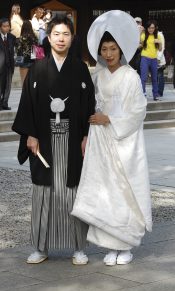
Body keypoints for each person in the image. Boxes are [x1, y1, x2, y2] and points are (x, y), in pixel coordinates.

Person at [12, 14, 95, 265]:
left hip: (72, 140)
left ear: (72, 39)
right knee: (43, 192)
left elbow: (88, 103)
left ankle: (79, 248)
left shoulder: (80, 68)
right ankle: (41, 246)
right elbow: (27, 104)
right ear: (48, 38)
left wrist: (85, 135)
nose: (61, 38)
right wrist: (30, 134)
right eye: (56, 34)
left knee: (73, 191)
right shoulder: (37, 69)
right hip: (44, 139)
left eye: (66, 34)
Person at [72, 10, 152, 266]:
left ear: (121, 50)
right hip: (102, 141)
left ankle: (126, 245)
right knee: (106, 191)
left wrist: (110, 119)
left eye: (113, 48)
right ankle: (110, 244)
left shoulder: (131, 76)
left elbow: (138, 110)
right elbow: (88, 100)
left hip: (124, 140)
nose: (108, 54)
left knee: (125, 190)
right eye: (104, 48)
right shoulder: (98, 74)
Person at [140, 20, 162, 101]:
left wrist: (160, 43)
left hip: (154, 59)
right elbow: (139, 44)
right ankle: (142, 94)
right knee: (143, 77)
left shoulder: (157, 36)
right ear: (147, 28)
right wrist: (139, 32)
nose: (151, 29)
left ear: (155, 28)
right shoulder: (143, 35)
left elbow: (160, 49)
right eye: (149, 28)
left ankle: (155, 95)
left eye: (152, 28)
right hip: (145, 58)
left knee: (154, 78)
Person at [0, 18, 16, 110]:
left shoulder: (12, 37)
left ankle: (5, 103)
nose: (7, 28)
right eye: (4, 26)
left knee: (8, 86)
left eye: (8, 26)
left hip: (9, 65)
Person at [15, 20, 38, 84]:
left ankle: (25, 94)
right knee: (32, 82)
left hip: (24, 61)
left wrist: (17, 61)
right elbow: (37, 49)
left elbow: (18, 50)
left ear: (23, 27)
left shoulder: (21, 38)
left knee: (24, 82)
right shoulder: (35, 37)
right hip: (33, 61)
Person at [157, 30, 166, 97]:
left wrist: (158, 58)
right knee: (157, 76)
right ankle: (158, 91)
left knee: (160, 76)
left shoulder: (159, 34)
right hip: (155, 58)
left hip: (159, 60)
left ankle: (160, 92)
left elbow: (162, 47)